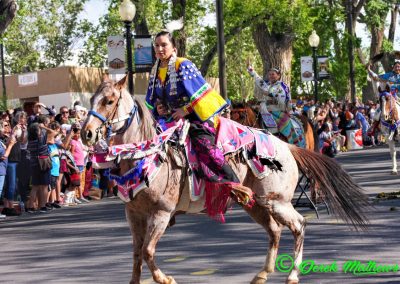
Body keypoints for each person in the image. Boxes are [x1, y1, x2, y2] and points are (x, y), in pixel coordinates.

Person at [145, 30, 252, 218]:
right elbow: (152, 100)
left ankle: (232, 184)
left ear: (174, 48)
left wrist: (185, 110)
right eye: (157, 45)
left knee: (206, 148)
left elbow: (203, 93)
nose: (160, 49)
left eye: (164, 45)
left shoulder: (183, 65)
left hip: (194, 119)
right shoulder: (155, 71)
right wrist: (158, 109)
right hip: (167, 121)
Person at [246, 60, 305, 147]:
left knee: (287, 124)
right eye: (269, 74)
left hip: (278, 111)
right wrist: (250, 69)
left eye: (273, 74)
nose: (271, 76)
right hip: (265, 110)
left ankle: (295, 144)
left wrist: (270, 94)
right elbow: (258, 79)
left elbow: (282, 99)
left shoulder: (283, 86)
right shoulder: (267, 85)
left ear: (278, 75)